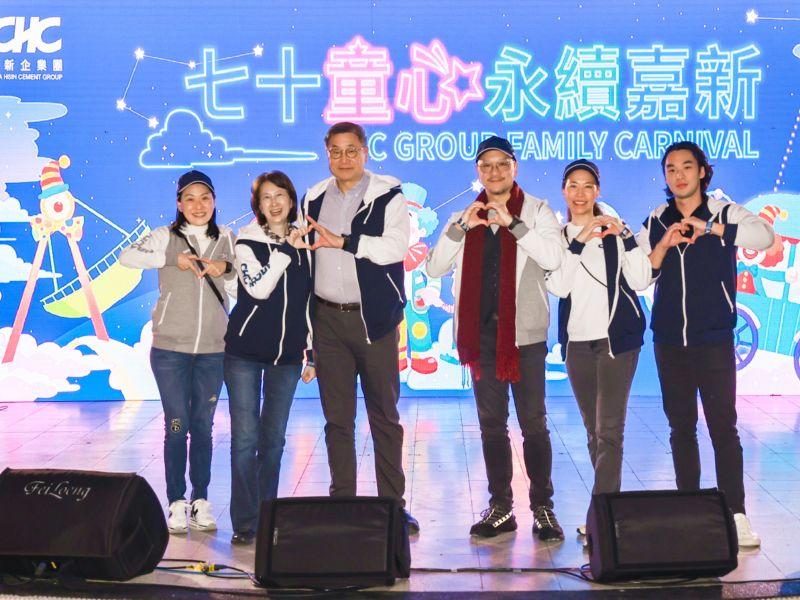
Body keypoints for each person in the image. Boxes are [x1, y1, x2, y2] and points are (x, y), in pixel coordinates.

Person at [426, 136, 565, 540]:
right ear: (478, 172)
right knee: (491, 426)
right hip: (481, 337)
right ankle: (501, 507)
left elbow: (553, 258)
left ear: (514, 167)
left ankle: (543, 507)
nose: (494, 172)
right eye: (486, 166)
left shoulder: (536, 210)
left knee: (534, 425)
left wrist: (513, 224)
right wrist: (459, 229)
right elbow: (434, 268)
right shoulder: (465, 215)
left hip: (524, 337)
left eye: (502, 164)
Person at [638, 141, 775, 547]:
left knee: (723, 429)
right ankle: (690, 509)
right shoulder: (657, 219)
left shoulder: (724, 212)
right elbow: (642, 274)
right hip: (669, 340)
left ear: (702, 171)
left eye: (687, 166)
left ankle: (736, 514)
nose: (678, 175)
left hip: (714, 340)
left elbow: (765, 237)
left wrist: (711, 228)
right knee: (681, 428)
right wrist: (663, 245)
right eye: (671, 168)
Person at [300, 122, 418, 533]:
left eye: (351, 150)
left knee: (384, 418)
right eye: (335, 151)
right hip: (327, 322)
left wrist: (344, 241)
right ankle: (343, 505)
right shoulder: (313, 198)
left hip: (375, 322)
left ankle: (392, 506)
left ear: (365, 153)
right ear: (327, 154)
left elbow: (395, 248)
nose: (344, 158)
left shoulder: (388, 196)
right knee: (337, 422)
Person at [120, 170, 237, 534]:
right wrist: (174, 259)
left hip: (213, 351)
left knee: (203, 427)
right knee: (177, 426)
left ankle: (200, 500)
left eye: (205, 198)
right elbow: (127, 257)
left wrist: (226, 268)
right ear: (179, 203)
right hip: (170, 351)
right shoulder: (165, 236)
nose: (198, 206)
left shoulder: (228, 238)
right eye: (190, 199)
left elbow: (243, 283)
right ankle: (176, 502)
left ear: (214, 202)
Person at [545, 160, 650, 537]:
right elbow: (558, 286)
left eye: (587, 186)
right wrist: (578, 242)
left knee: (609, 431)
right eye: (573, 185)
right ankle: (610, 512)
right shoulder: (558, 237)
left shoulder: (615, 231)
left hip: (616, 342)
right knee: (594, 431)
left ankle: (600, 520)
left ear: (598, 191)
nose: (580, 193)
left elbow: (641, 279)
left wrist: (626, 237)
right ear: (564, 191)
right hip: (577, 345)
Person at [224, 171, 316, 545]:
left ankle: (266, 514)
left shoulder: (309, 244)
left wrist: (313, 353)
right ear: (258, 205)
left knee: (274, 441)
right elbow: (259, 289)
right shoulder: (246, 240)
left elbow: (311, 302)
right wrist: (286, 251)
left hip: (288, 357)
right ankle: (245, 522)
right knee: (245, 439)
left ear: (292, 201)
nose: (274, 202)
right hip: (243, 354)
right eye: (266, 197)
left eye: (280, 195)